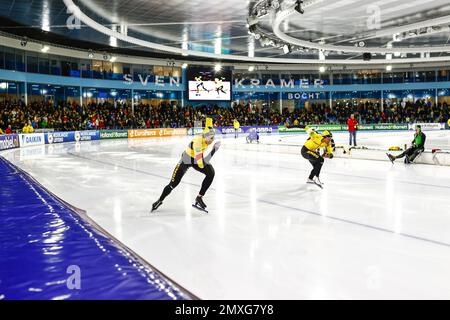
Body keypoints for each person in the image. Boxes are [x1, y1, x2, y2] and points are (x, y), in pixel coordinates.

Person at [152, 127, 221, 213]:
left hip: (196, 159)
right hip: (186, 159)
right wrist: (214, 150)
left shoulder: (206, 139)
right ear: (204, 137)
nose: (212, 140)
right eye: (211, 138)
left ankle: (199, 197)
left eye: (213, 138)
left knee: (211, 173)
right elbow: (201, 163)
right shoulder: (198, 143)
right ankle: (160, 200)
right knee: (173, 184)